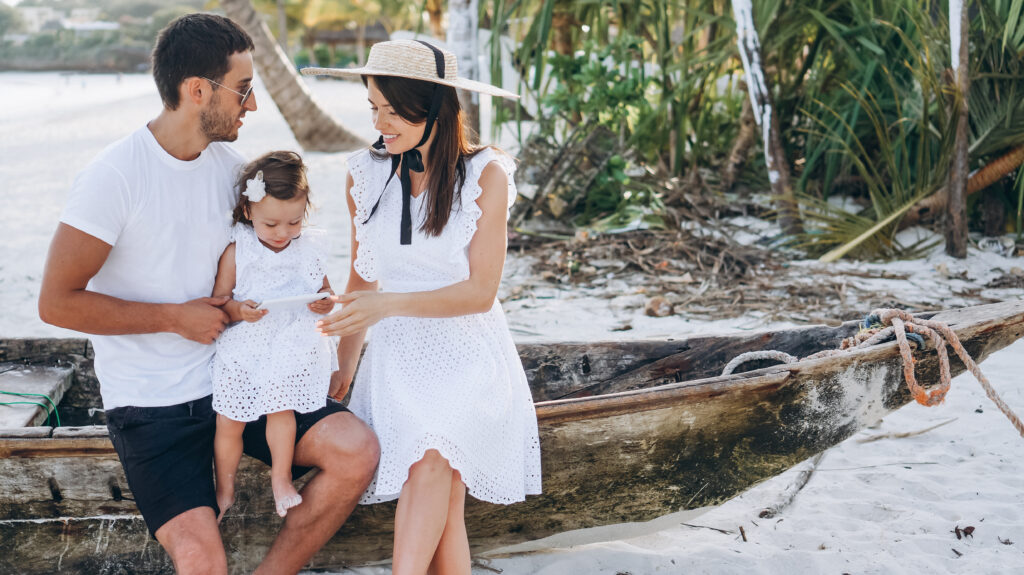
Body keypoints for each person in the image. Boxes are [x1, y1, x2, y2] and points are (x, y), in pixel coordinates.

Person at [37, 13, 379, 575]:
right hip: (153, 405)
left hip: (244, 376)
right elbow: (56, 302)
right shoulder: (114, 177)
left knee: (356, 451)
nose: (252, 106)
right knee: (200, 560)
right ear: (198, 91)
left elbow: (283, 256)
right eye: (243, 90)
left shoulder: (236, 175)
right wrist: (174, 318)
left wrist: (318, 304)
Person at [303, 40, 542, 575]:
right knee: (444, 501)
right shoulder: (363, 174)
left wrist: (387, 305)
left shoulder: (487, 175)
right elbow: (361, 280)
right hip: (397, 359)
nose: (380, 123)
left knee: (432, 459)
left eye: (393, 109)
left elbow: (480, 292)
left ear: (433, 107)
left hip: (467, 353)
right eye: (373, 108)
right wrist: (343, 366)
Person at [209, 151, 337, 521]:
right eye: (272, 225)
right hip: (247, 342)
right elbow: (221, 301)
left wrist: (323, 304)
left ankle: (281, 479)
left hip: (290, 344)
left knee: (281, 409)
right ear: (249, 212)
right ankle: (225, 488)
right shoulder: (239, 251)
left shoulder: (308, 249)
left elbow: (326, 293)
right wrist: (239, 311)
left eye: (294, 222)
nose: (283, 234)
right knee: (228, 418)